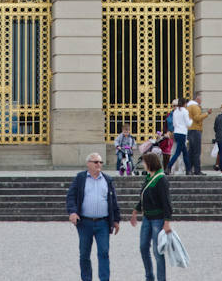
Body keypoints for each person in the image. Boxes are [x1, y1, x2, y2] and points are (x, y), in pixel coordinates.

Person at [66, 153, 121, 281]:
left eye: (100, 162)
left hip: (103, 222)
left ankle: (104, 279)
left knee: (103, 253)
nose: (99, 164)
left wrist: (116, 220)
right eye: (96, 162)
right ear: (88, 163)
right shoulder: (80, 178)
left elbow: (113, 201)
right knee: (84, 254)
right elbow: (71, 197)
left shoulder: (107, 180)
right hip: (85, 222)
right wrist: (72, 212)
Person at [130, 153, 173, 281]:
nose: (143, 165)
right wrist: (136, 210)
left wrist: (167, 222)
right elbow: (144, 196)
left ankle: (161, 279)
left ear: (150, 163)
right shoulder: (149, 177)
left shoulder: (161, 179)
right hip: (147, 217)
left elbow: (167, 202)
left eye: (144, 162)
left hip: (158, 219)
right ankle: (149, 276)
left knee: (157, 251)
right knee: (143, 247)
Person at [185, 93, 210, 176]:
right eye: (200, 99)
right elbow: (197, 118)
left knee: (191, 151)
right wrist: (207, 114)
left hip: (190, 129)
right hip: (196, 130)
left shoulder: (188, 107)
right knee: (196, 151)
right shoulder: (195, 107)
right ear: (197, 99)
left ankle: (189, 169)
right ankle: (197, 170)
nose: (201, 101)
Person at [166, 99, 192, 175]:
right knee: (177, 152)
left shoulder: (175, 112)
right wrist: (191, 120)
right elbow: (188, 124)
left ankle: (188, 169)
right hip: (182, 133)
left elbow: (174, 124)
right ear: (184, 104)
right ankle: (168, 167)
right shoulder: (185, 111)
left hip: (176, 132)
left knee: (185, 152)